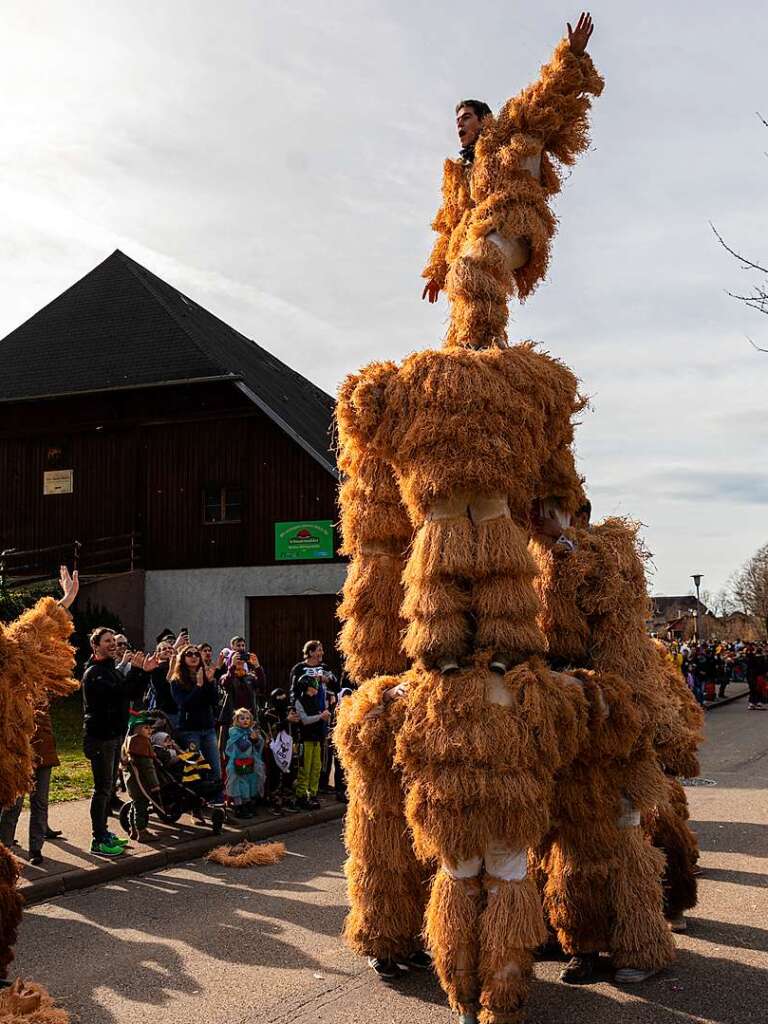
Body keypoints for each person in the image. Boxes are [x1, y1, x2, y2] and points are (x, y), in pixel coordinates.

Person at [420, 12, 601, 351]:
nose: (460, 124)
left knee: (477, 261)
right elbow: (450, 224)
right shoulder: (459, 174)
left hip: (515, 228)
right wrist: (436, 271)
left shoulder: (505, 133)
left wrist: (571, 55)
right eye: (457, 120)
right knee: (465, 272)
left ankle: (484, 341)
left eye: (466, 118)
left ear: (484, 119)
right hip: (482, 235)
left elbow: (543, 98)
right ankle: (475, 346)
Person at [82, 628, 158, 856]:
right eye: (107, 641)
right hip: (100, 738)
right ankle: (98, 839)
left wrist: (144, 672)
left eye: (114, 641)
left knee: (108, 787)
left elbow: (131, 693)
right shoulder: (94, 672)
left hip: (114, 736)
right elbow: (117, 693)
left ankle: (104, 833)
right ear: (95, 646)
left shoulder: (110, 670)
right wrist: (135, 670)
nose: (113, 644)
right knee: (102, 789)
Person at [0, 699, 63, 866]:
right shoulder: (11, 691)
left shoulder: (40, 694)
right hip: (19, 757)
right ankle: (4, 848)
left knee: (39, 803)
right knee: (13, 805)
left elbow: (45, 725)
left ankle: (36, 849)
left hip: (42, 755)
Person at [169, 644, 224, 800]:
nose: (194, 656)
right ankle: (195, 806)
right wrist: (199, 686)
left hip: (208, 728)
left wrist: (211, 682)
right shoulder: (177, 680)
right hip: (189, 730)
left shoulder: (205, 675)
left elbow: (214, 701)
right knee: (193, 770)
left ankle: (218, 804)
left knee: (215, 768)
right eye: (189, 654)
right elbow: (185, 704)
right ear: (183, 658)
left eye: (196, 654)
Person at [121, 710, 161, 842]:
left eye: (150, 728)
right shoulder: (141, 743)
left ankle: (133, 830)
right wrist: (155, 785)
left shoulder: (129, 741)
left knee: (135, 804)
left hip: (131, 781)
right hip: (141, 782)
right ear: (137, 729)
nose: (149, 730)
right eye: (146, 727)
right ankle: (142, 831)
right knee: (141, 807)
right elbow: (148, 768)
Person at [293, 676, 330, 810]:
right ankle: (301, 795)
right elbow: (304, 720)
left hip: (316, 739)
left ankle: (312, 794)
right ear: (307, 687)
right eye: (314, 685)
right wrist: (321, 716)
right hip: (306, 740)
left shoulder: (315, 700)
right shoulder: (299, 701)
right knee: (305, 769)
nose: (316, 687)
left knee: (316, 768)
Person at [224, 708, 266, 817]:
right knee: (238, 784)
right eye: (242, 718)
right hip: (237, 763)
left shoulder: (250, 731)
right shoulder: (234, 732)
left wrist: (257, 739)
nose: (245, 720)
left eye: (248, 718)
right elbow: (242, 746)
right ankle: (238, 807)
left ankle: (247, 804)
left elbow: (258, 746)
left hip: (249, 762)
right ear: (237, 720)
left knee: (249, 783)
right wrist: (251, 739)